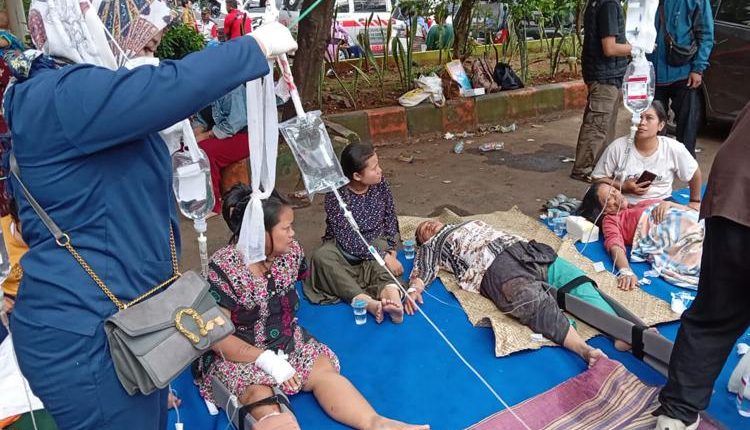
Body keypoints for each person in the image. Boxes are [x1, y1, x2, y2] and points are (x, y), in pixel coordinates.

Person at [5, 0, 298, 427]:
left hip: (126, 323)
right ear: (91, 23)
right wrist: (251, 48)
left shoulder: (74, 96)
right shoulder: (57, 95)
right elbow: (166, 89)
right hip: (89, 335)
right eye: (141, 40)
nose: (150, 52)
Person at [196, 186, 429, 430]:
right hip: (239, 355)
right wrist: (266, 360)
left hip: (286, 342)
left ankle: (376, 423)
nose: (293, 233)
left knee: (322, 372)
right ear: (260, 233)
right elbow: (218, 339)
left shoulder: (291, 254)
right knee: (258, 394)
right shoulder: (224, 269)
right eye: (286, 228)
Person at [652, 102, 750, 430]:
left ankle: (676, 415)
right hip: (733, 199)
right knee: (716, 314)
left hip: (731, 199)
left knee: (714, 315)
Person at [406, 219, 622, 364]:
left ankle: (619, 329)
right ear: (423, 241)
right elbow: (423, 269)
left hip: (525, 249)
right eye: (423, 230)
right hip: (494, 267)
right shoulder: (431, 246)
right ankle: (584, 350)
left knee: (575, 280)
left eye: (429, 222)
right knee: (534, 304)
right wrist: (415, 289)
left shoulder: (464, 223)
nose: (429, 225)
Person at [304, 143, 404, 324]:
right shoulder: (335, 196)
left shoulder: (380, 184)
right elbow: (348, 239)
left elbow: (390, 215)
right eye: (374, 168)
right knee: (321, 257)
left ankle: (393, 299)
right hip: (344, 247)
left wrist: (390, 247)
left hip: (375, 241)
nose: (380, 171)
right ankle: (367, 302)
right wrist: (383, 256)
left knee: (381, 258)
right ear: (357, 176)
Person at [578, 183, 702, 290]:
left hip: (694, 221)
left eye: (614, 191)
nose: (616, 195)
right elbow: (614, 243)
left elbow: (688, 210)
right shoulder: (612, 219)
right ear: (603, 210)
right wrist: (625, 271)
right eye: (609, 198)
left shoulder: (642, 203)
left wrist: (669, 204)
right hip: (677, 234)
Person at [592, 101, 702, 204]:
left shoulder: (672, 148)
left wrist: (695, 202)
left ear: (661, 125)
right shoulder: (617, 147)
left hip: (661, 203)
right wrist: (623, 187)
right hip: (625, 204)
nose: (642, 122)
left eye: (649, 118)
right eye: (639, 117)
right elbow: (597, 179)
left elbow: (694, 173)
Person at [570, 0, 631, 183]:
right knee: (598, 125)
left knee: (603, 124)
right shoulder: (609, 5)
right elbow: (610, 48)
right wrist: (636, 48)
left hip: (605, 73)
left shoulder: (598, 3)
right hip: (605, 75)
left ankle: (598, 166)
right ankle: (584, 168)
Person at [650, 0, 714, 157]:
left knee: (687, 128)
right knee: (652, 126)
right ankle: (655, 162)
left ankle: (686, 164)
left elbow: (706, 34)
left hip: (684, 73)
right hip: (651, 72)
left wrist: (698, 68)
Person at [193, 83, 250, 215]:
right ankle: (197, 197)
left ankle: (213, 204)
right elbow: (200, 119)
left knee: (205, 151)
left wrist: (206, 135)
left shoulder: (232, 88)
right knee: (186, 150)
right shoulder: (201, 91)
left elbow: (236, 122)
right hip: (221, 136)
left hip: (245, 135)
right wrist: (193, 136)